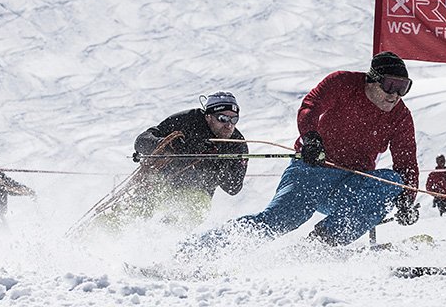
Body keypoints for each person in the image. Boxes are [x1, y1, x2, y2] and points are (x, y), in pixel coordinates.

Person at [200, 51, 420, 248]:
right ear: (371, 80)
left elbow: (407, 163)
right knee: (281, 219)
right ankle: (203, 249)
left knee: (391, 181)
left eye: (403, 88)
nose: (395, 95)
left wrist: (406, 200)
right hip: (313, 170)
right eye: (390, 86)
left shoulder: (400, 116)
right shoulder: (343, 83)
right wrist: (311, 139)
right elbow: (311, 105)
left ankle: (319, 246)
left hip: (351, 183)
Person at [120, 91, 248, 227]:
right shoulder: (187, 120)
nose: (229, 125)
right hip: (162, 181)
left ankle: (163, 239)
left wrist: (220, 165)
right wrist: (167, 145)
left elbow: (234, 188)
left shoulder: (237, 145)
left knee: (196, 207)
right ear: (208, 116)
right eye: (223, 119)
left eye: (234, 119)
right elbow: (141, 141)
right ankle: (102, 232)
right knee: (133, 211)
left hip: (197, 193)